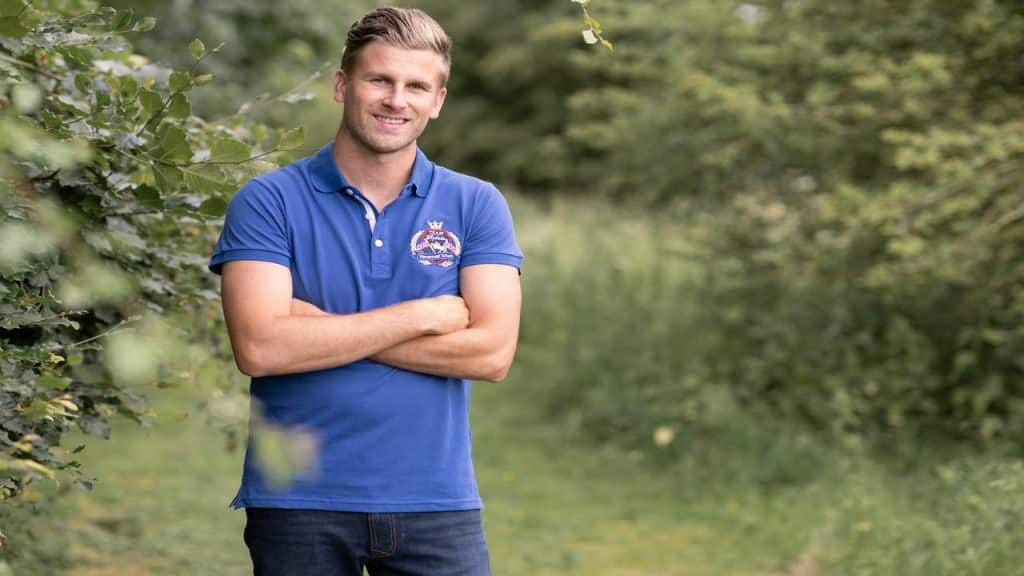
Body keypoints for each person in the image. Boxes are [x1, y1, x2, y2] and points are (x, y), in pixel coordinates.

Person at [207, 7, 522, 576]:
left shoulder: (476, 204)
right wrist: (424, 315)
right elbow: (260, 348)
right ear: (342, 84)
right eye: (380, 79)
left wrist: (312, 324)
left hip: (436, 500)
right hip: (298, 501)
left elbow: (492, 354)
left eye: (416, 85)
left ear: (438, 100)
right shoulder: (268, 201)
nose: (396, 99)